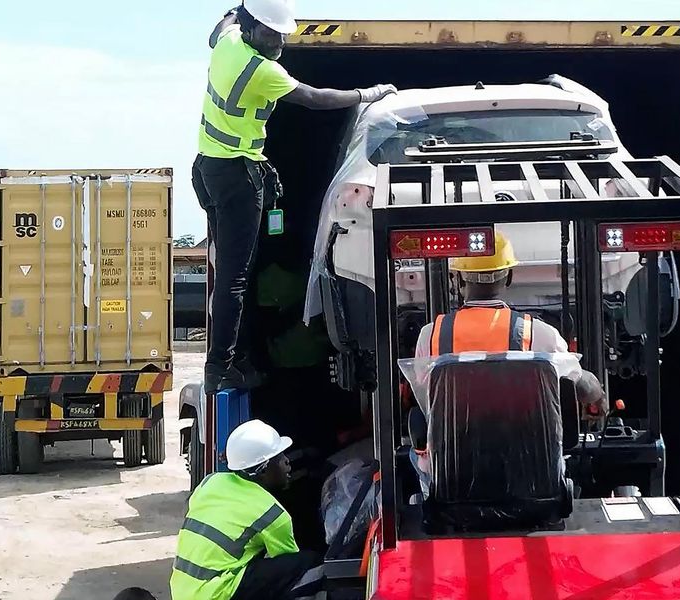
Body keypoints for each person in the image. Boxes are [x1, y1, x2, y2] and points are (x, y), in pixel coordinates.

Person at [196, 0, 397, 392]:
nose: (279, 43)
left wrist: (237, 10)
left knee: (234, 274)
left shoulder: (229, 40)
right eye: (272, 34)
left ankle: (228, 361)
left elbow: (218, 27)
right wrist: (367, 93)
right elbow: (316, 98)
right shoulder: (261, 70)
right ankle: (220, 368)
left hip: (208, 169)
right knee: (235, 280)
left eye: (283, 35)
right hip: (237, 175)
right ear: (254, 30)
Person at [412, 232, 607, 415]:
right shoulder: (538, 334)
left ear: (457, 280)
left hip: (450, 449)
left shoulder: (431, 334)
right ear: (509, 277)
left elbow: (424, 391)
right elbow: (580, 385)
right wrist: (597, 396)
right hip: (526, 449)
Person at [171, 420, 323, 600]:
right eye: (280, 458)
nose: (287, 462)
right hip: (216, 594)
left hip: (182, 591)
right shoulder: (272, 513)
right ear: (263, 470)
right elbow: (288, 566)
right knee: (309, 563)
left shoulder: (210, 482)